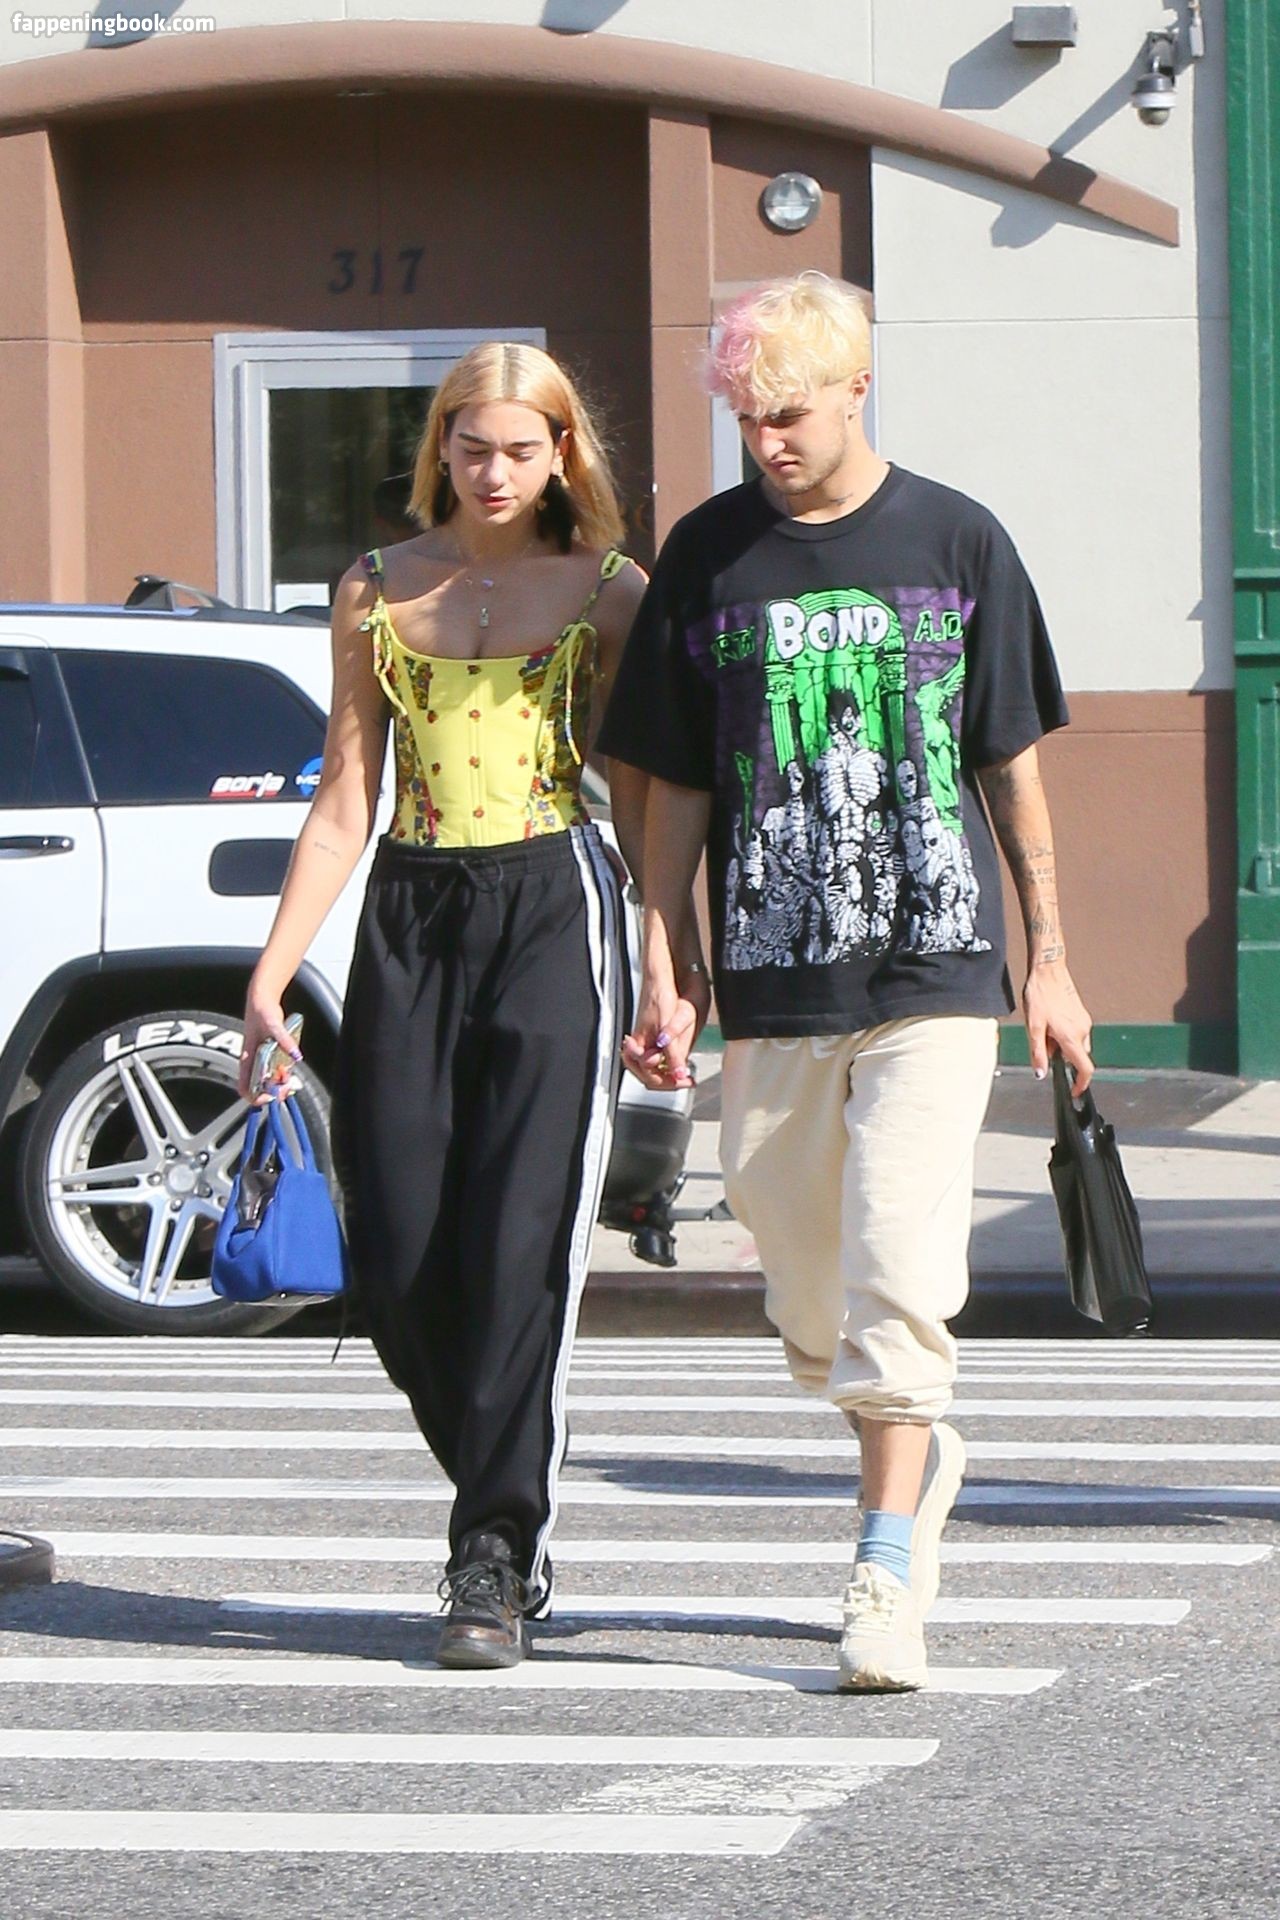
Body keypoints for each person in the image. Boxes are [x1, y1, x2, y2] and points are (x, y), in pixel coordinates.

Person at [599, 273, 1093, 1692]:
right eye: (747, 420)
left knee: (896, 1262)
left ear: (858, 387)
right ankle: (914, 1439)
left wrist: (1051, 962)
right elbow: (676, 782)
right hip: (775, 973)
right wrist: (667, 953)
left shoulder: (957, 539)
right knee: (799, 1270)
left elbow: (1008, 762)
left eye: (790, 415)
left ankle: (882, 1567)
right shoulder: (708, 553)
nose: (767, 443)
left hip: (937, 967)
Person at [239, 341, 660, 1670]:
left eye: (521, 450)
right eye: (472, 448)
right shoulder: (374, 587)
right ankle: (497, 1475)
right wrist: (270, 971)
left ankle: (493, 1552)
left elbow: (649, 798)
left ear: (560, 457)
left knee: (524, 1234)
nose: (494, 472)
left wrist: (670, 960)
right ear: (442, 449)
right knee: (401, 1240)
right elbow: (345, 795)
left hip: (554, 900)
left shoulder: (610, 590)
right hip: (409, 909)